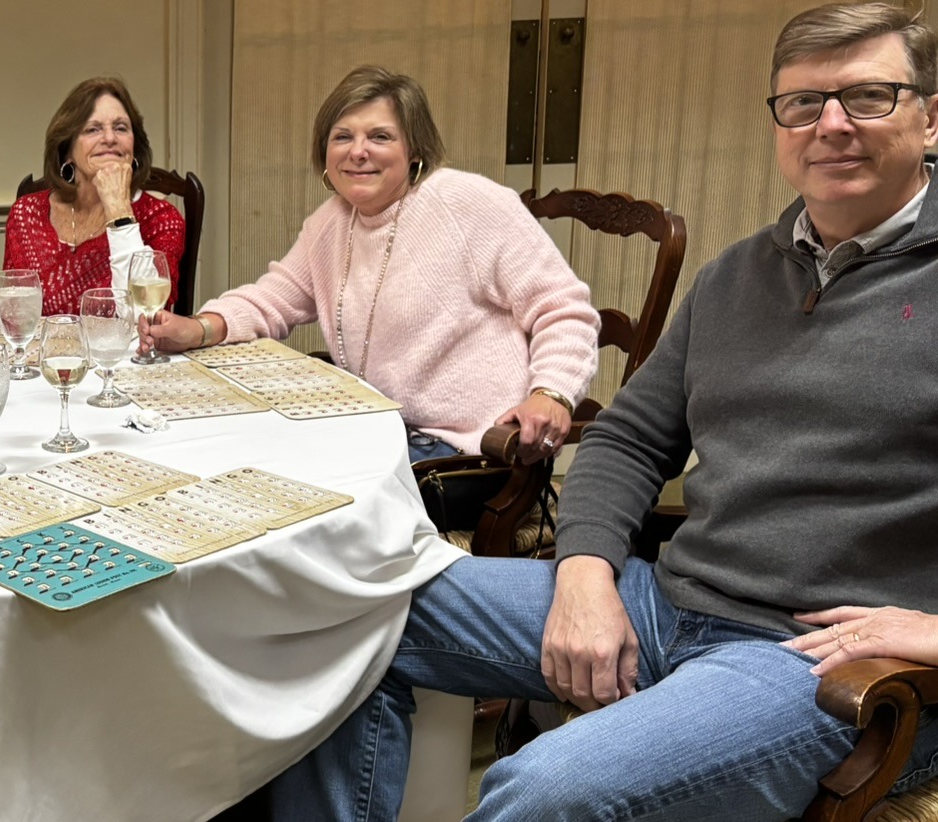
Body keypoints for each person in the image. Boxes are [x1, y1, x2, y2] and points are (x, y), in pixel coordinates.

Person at [266, 4, 938, 818]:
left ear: (930, 119)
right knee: (342, 619)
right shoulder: (737, 276)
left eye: (868, 97)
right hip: (671, 600)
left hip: (815, 656)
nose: (830, 125)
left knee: (542, 789)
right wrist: (585, 573)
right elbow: (628, 437)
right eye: (803, 103)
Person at [141, 67, 599, 464]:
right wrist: (197, 328)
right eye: (343, 137)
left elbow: (565, 309)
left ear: (415, 150)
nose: (358, 151)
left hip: (466, 452)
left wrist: (551, 393)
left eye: (380, 137)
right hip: (377, 431)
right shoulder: (332, 222)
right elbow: (272, 299)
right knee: (233, 454)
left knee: (289, 487)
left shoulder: (469, 203)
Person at [4, 76, 188, 316]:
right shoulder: (27, 214)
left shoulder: (162, 219)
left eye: (121, 128)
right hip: (43, 343)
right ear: (67, 149)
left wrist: (119, 209)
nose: (110, 139)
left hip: (125, 342)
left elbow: (144, 316)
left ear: (134, 146)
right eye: (93, 129)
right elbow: (13, 316)